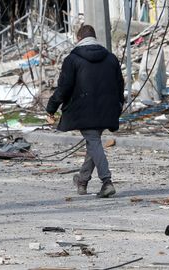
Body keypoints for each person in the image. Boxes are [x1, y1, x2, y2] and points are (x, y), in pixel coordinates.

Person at [46, 24, 124, 198]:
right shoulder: (111, 58)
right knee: (93, 143)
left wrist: (51, 108)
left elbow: (64, 88)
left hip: (83, 110)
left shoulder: (72, 59)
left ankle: (107, 182)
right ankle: (82, 181)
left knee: (93, 142)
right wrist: (119, 104)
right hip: (107, 109)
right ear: (94, 38)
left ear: (78, 39)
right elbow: (120, 85)